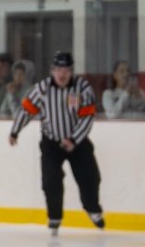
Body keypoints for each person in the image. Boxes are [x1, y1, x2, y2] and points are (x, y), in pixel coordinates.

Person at [9, 51, 105, 232]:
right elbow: (27, 110)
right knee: (50, 181)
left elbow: (87, 118)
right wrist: (15, 131)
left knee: (89, 178)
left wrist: (74, 139)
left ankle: (93, 209)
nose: (62, 74)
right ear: (52, 70)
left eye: (67, 70)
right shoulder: (42, 88)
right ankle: (54, 216)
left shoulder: (83, 87)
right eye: (59, 69)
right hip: (51, 143)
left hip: (78, 143)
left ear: (72, 71)